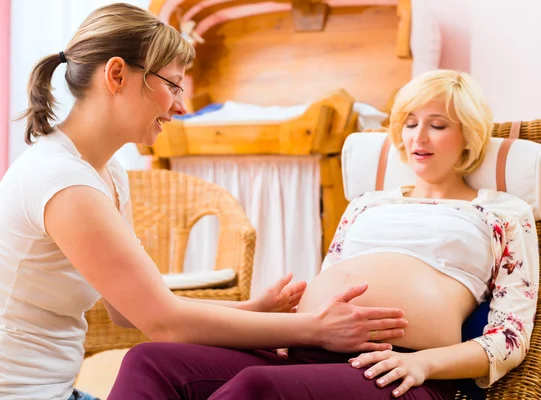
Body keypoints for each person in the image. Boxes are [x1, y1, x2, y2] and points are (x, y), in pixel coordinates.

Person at [0, 3, 409, 400]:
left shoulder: (106, 173)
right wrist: (314, 329)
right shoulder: (64, 181)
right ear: (118, 75)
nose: (181, 105)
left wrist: (254, 309)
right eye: (173, 84)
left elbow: (129, 311)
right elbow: (163, 321)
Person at [107, 69, 540, 400]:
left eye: (438, 125)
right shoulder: (368, 204)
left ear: (469, 135)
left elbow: (511, 335)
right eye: (409, 123)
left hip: (398, 368)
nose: (417, 137)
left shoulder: (501, 211)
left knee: (257, 388)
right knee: (149, 360)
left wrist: (425, 365)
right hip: (306, 345)